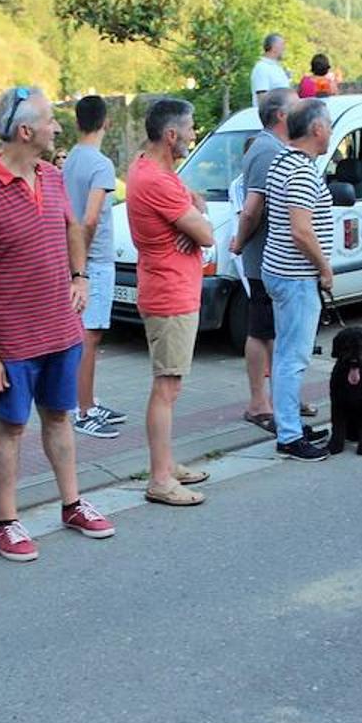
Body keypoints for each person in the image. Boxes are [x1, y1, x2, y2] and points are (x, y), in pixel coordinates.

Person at [0, 87, 116, 556]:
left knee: (60, 416)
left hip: (61, 329)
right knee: (11, 426)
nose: (57, 127)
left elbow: (72, 228)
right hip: (13, 339)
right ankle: (6, 522)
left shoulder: (51, 176)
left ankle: (72, 503)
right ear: (25, 131)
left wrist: (80, 276)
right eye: (49, 120)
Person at [124, 98, 216, 502]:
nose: (194, 135)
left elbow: (196, 205)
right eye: (192, 128)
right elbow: (208, 234)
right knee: (167, 386)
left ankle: (166, 462)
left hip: (169, 286)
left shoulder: (153, 168)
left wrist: (193, 215)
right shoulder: (158, 181)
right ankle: (160, 479)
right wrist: (195, 225)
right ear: (172, 134)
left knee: (170, 385)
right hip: (169, 293)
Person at [262, 99, 336, 463]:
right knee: (294, 356)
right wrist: (324, 267)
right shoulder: (302, 171)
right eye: (330, 125)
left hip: (279, 270)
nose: (331, 131)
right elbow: (301, 231)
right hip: (296, 275)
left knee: (285, 354)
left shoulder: (283, 160)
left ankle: (288, 422)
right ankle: (290, 435)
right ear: (317, 129)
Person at [231, 89, 298, 433]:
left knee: (279, 331)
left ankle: (283, 397)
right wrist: (240, 243)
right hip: (264, 260)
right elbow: (252, 208)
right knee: (261, 330)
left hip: (280, 259)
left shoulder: (278, 148)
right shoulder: (266, 150)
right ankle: (259, 403)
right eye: (297, 104)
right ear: (282, 115)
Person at [62, 95, 127, 438]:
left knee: (80, 335)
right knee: (91, 336)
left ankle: (84, 401)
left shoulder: (71, 159)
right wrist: (82, 268)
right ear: (107, 123)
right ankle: (83, 410)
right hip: (95, 261)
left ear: (78, 122)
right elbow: (89, 220)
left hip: (75, 258)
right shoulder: (101, 164)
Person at [250, 34, 291, 108]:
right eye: (282, 45)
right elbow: (262, 99)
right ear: (274, 47)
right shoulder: (262, 68)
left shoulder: (277, 68)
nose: (284, 48)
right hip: (269, 118)